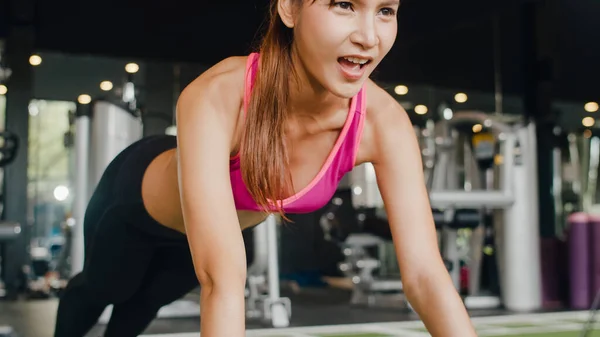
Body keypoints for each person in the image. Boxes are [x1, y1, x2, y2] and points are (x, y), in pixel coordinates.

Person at [54, 0, 478, 336]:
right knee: (108, 288)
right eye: (343, 4)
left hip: (207, 237)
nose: (369, 36)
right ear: (289, 8)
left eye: (385, 11)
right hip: (134, 205)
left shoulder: (383, 123)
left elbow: (425, 274)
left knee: (142, 305)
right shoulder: (220, 93)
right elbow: (222, 278)